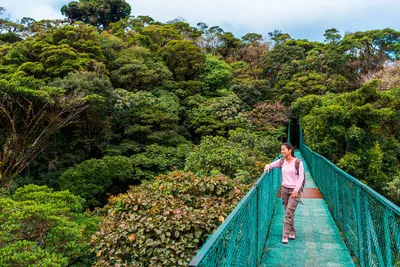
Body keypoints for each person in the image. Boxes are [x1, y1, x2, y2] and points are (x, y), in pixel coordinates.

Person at [264, 143, 305, 244]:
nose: (282, 152)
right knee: (288, 212)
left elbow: (301, 178)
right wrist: (267, 167)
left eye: (284, 150)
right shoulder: (282, 161)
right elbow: (271, 165)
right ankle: (292, 231)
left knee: (288, 213)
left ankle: (285, 234)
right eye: (281, 150)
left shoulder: (298, 162)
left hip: (294, 191)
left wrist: (296, 190)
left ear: (290, 150)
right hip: (284, 190)